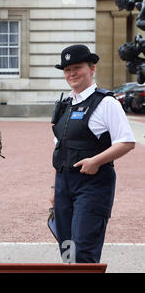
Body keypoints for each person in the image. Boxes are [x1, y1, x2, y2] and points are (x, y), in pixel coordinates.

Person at [51, 44, 135, 263]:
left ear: (92, 68)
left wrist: (96, 161)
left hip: (93, 184)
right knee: (68, 250)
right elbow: (60, 149)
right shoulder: (65, 104)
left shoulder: (106, 102)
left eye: (77, 68)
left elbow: (126, 141)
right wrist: (54, 187)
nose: (72, 74)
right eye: (67, 70)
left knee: (84, 251)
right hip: (63, 184)